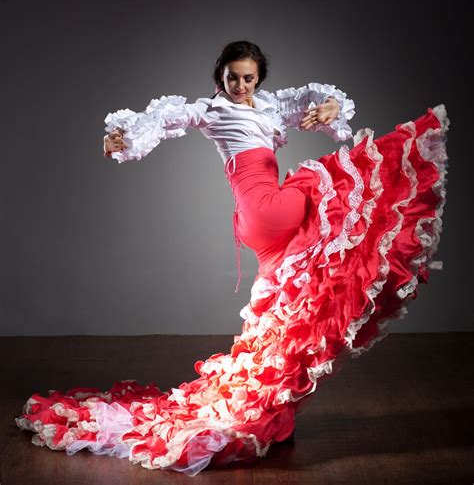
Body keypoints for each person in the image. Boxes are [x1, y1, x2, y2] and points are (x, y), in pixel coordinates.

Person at [15, 41, 449, 477]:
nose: (240, 86)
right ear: (218, 76)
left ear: (259, 78)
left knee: (288, 305)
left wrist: (330, 109)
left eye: (248, 78)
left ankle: (270, 404)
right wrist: (121, 138)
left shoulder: (271, 105)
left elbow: (314, 101)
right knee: (343, 185)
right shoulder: (212, 109)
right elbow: (165, 120)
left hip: (263, 221)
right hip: (265, 208)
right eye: (232, 78)